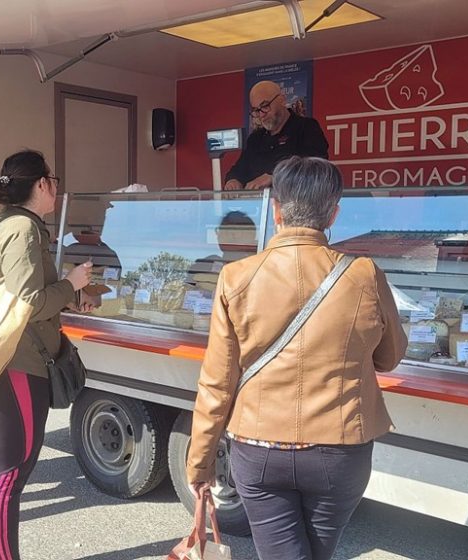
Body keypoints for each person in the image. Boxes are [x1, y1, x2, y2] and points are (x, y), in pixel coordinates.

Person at [187, 156, 407, 560]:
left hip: (258, 449)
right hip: (339, 451)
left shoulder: (236, 278)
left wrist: (199, 464)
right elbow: (390, 357)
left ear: (275, 210)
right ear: (334, 213)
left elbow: (217, 384)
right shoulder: (364, 274)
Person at [0, 150, 95, 560]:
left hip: (1, 360)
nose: (56, 188)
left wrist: (71, 297)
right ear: (41, 185)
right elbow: (27, 302)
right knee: (13, 469)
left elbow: (19, 292)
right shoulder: (23, 229)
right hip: (18, 364)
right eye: (52, 180)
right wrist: (72, 282)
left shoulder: (0, 224)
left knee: (8, 465)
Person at [224, 81, 330, 191]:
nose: (261, 115)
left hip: (295, 203)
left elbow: (316, 167)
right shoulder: (255, 139)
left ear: (281, 100)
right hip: (260, 206)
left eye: (265, 106)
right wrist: (233, 180)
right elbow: (239, 168)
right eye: (256, 110)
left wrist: (274, 176)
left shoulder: (306, 127)